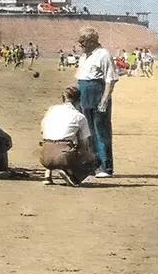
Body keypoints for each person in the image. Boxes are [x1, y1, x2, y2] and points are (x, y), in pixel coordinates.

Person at [75, 27, 118, 179]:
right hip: (83, 95)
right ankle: (92, 165)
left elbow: (110, 79)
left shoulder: (103, 54)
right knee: (87, 133)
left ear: (93, 41)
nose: (80, 44)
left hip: (97, 94)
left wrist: (104, 100)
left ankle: (105, 167)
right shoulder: (83, 56)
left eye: (83, 41)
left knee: (101, 131)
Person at [40, 86, 98, 186]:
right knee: (93, 159)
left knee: (51, 139)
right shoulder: (79, 116)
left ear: (63, 98)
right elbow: (84, 144)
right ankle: (72, 175)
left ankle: (47, 175)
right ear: (79, 100)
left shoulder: (51, 110)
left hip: (44, 155)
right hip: (63, 156)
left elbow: (43, 131)